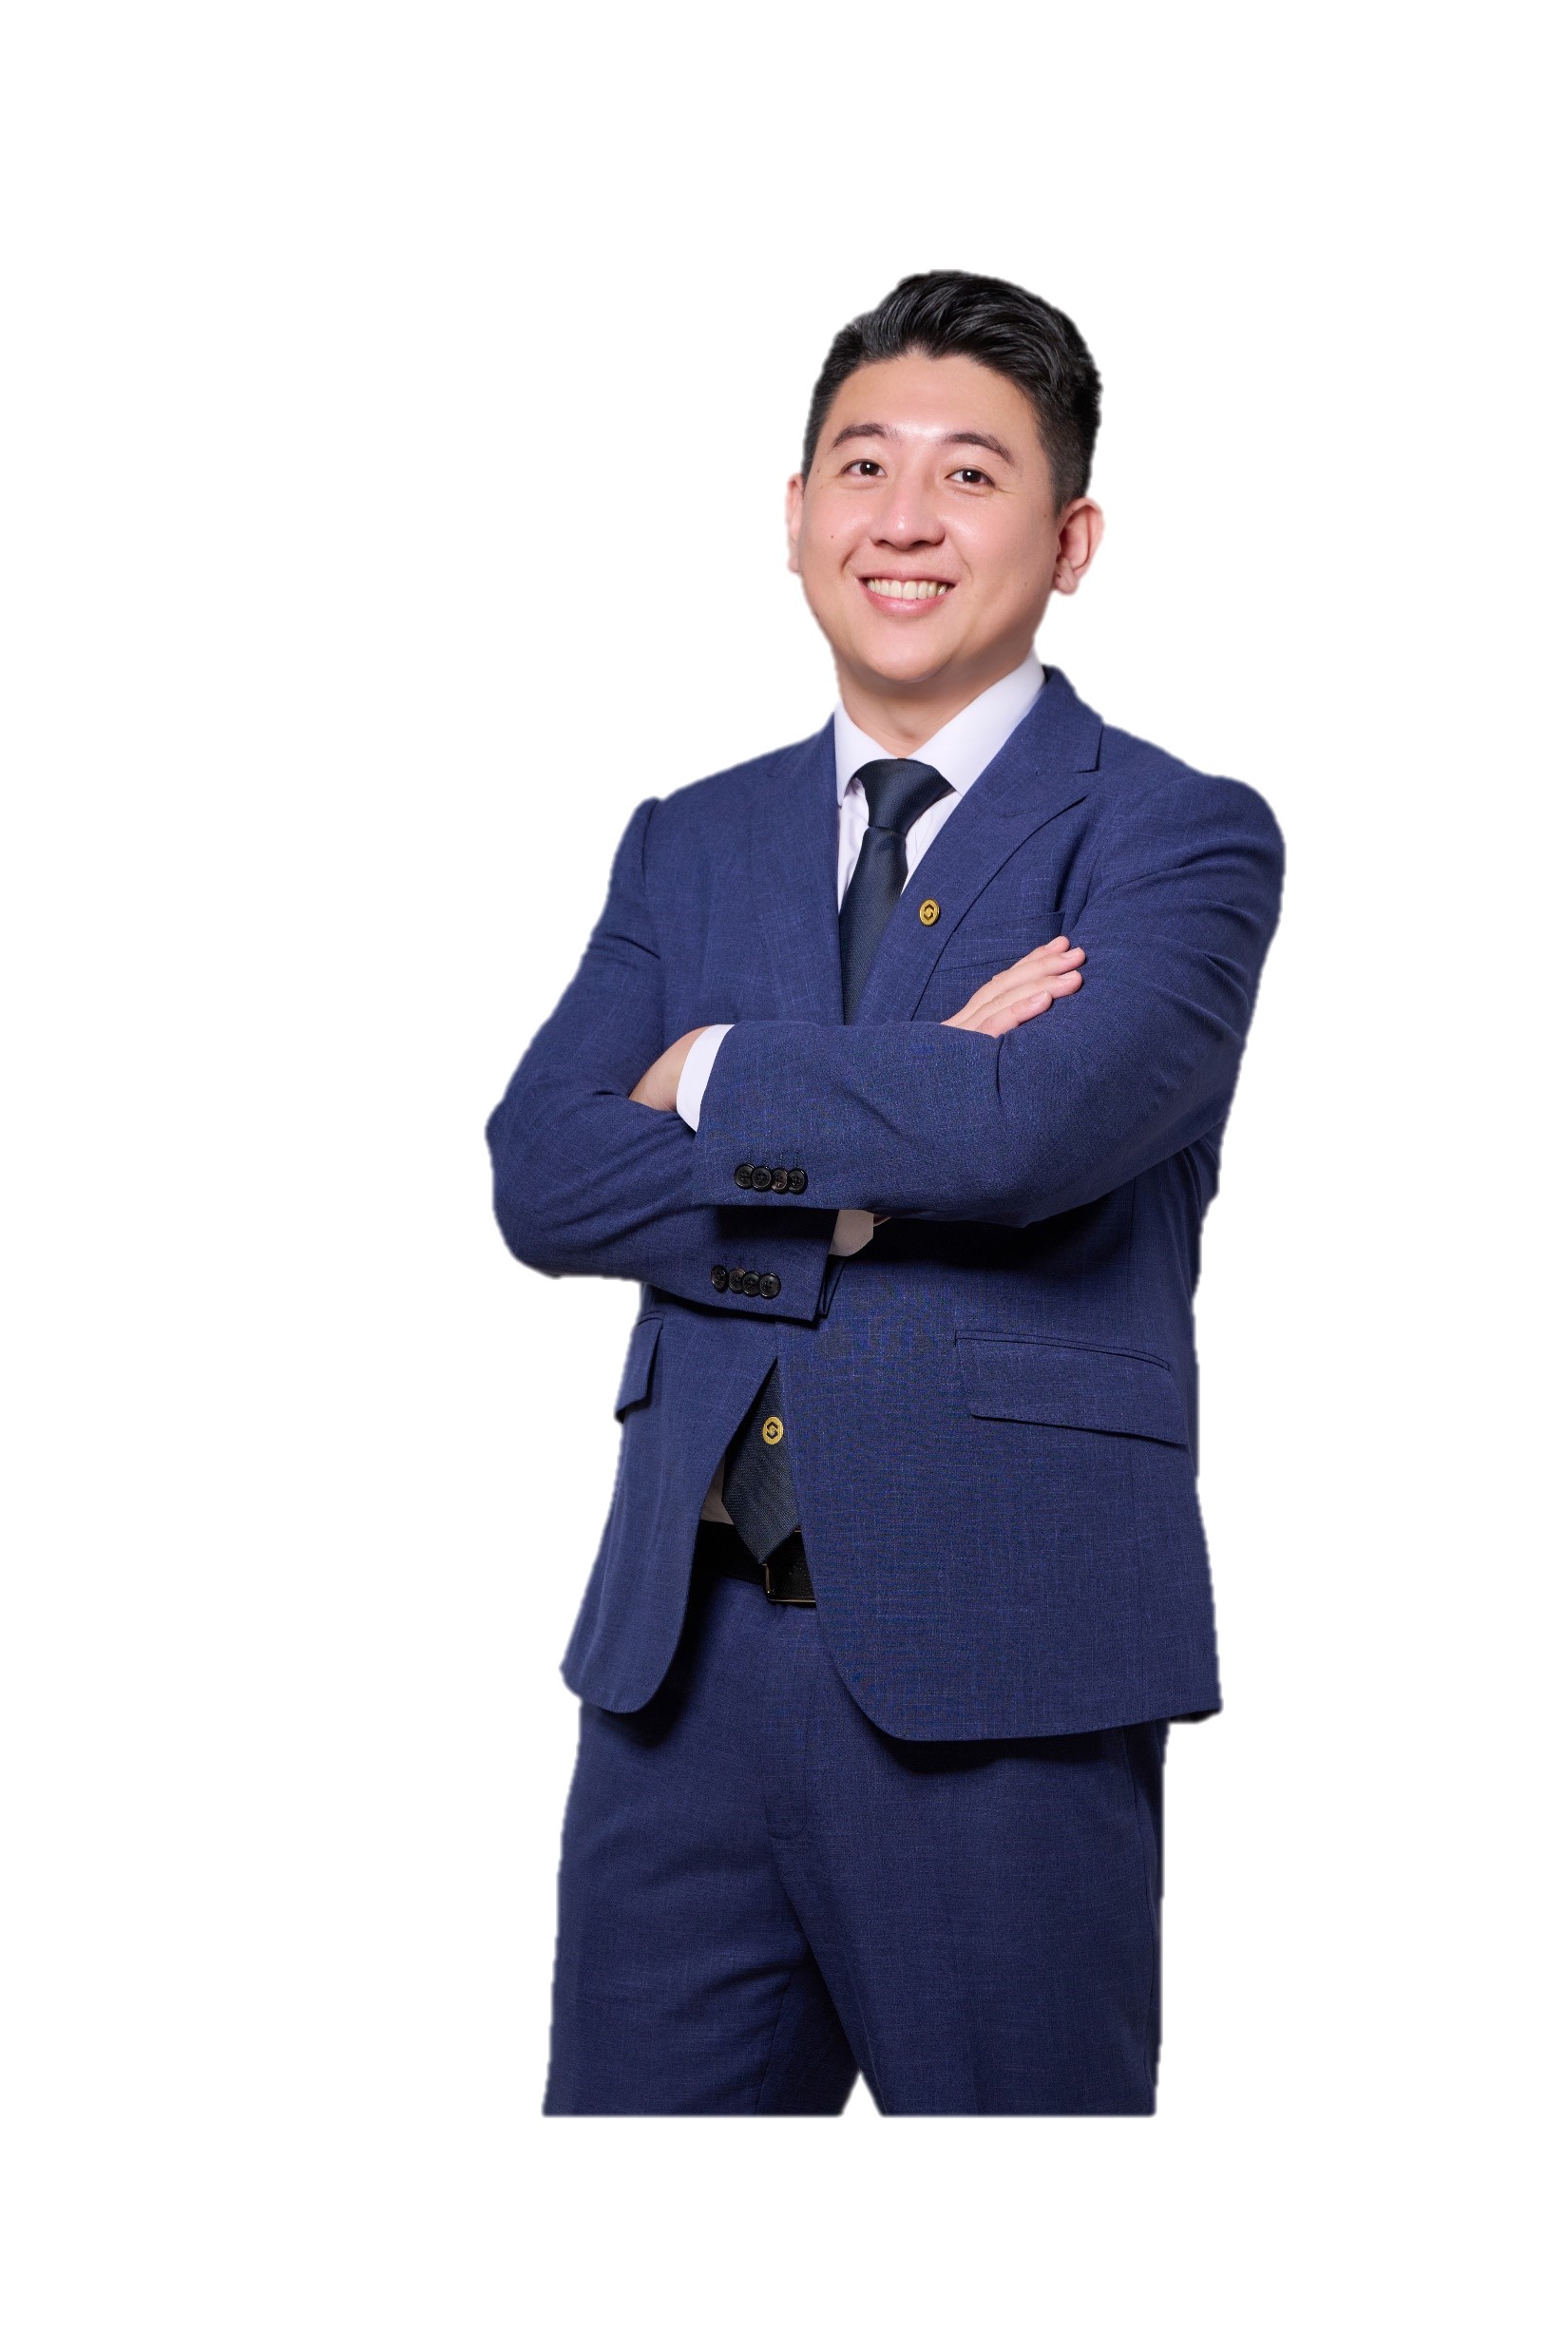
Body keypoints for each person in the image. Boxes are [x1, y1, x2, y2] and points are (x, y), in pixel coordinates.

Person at [486, 270, 1284, 2114]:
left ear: (1070, 540)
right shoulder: (689, 838)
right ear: (794, 517)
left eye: (969, 474)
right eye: (862, 466)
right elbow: (542, 1171)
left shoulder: (1173, 834)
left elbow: (1028, 1132)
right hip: (675, 1671)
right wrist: (862, 1180)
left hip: (1004, 1662)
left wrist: (709, 1068)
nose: (903, 519)